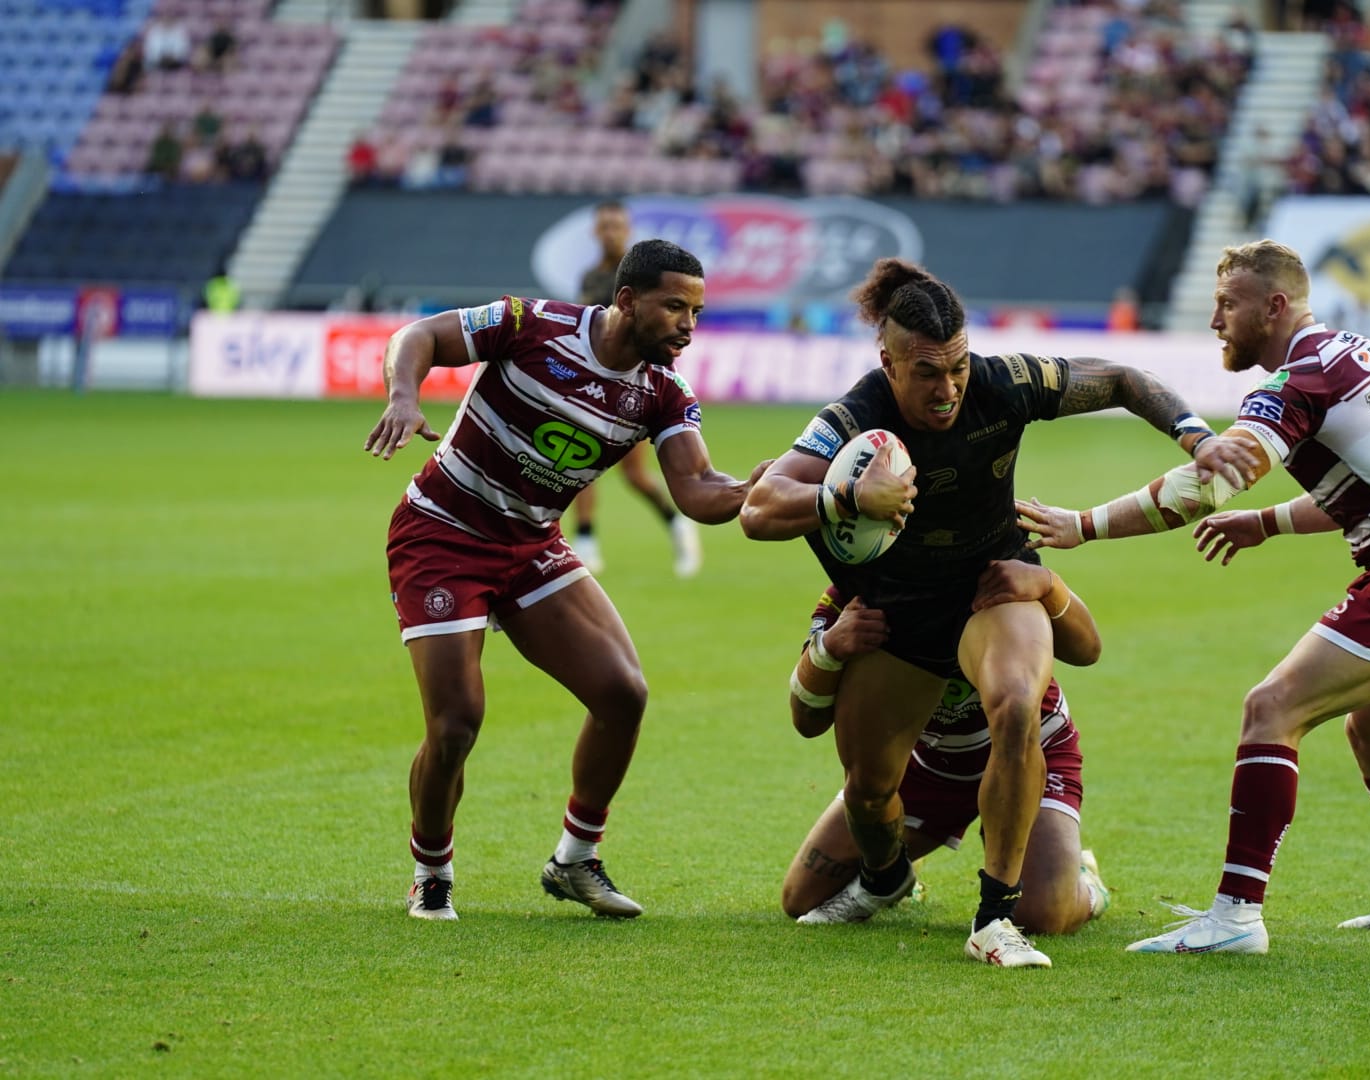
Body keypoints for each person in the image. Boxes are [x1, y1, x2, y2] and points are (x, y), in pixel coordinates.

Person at [739, 257, 1257, 968]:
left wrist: (1199, 438)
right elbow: (759, 509)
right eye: (926, 372)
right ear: (887, 362)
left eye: (957, 366)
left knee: (1016, 708)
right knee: (844, 828)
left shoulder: (1004, 381)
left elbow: (1121, 378)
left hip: (993, 591)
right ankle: (890, 879)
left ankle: (995, 919)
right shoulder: (853, 416)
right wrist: (848, 495)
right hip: (904, 625)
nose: (948, 388)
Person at [1017, 239, 1370, 955]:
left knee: (1271, 709)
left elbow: (1206, 484)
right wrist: (1266, 522)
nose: (1216, 320)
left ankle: (1236, 917)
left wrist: (1082, 525)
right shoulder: (1356, 354)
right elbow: (1364, 490)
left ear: (1274, 307)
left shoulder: (1297, 381)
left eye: (1228, 305)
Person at [364, 239, 764, 922]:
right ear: (627, 300)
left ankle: (576, 860)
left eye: (696, 312)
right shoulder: (531, 325)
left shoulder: (664, 394)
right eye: (675, 307)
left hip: (529, 546)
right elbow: (418, 336)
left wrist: (764, 487)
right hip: (443, 532)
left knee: (623, 693)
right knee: (456, 724)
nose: (688, 325)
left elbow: (698, 488)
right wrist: (405, 396)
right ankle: (431, 872)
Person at [781, 559, 1111, 936]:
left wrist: (1049, 585)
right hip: (927, 765)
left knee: (1042, 916)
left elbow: (1089, 649)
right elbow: (806, 721)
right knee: (801, 897)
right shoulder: (856, 588)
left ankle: (1086, 884)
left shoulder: (994, 568)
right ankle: (901, 869)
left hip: (1029, 752)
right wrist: (828, 649)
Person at [568, 201, 702, 577]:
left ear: (627, 230)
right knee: (577, 460)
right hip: (593, 384)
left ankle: (676, 524)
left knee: (635, 475)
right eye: (605, 226)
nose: (611, 233)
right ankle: (585, 542)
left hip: (635, 384)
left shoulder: (647, 276)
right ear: (596, 232)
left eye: (617, 226)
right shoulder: (591, 278)